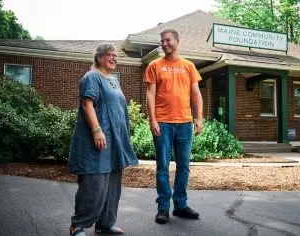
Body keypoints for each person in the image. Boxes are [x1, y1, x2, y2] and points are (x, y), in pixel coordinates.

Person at [67, 43, 139, 235]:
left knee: (112, 185)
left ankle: (105, 224)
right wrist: (97, 130)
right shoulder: (92, 77)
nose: (115, 58)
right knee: (94, 183)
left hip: (115, 142)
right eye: (110, 55)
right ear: (99, 58)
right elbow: (87, 104)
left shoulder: (113, 80)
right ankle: (77, 225)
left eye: (116, 55)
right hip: (97, 141)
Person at [144, 28, 204, 224]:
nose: (164, 43)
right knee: (162, 166)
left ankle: (180, 204)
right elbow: (150, 94)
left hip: (185, 123)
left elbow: (196, 94)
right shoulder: (154, 65)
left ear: (177, 41)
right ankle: (163, 207)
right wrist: (152, 119)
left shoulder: (188, 66)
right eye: (162, 41)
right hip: (162, 122)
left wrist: (199, 118)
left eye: (168, 40)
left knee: (184, 166)